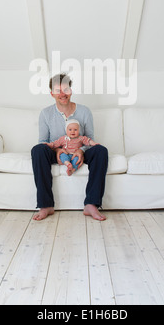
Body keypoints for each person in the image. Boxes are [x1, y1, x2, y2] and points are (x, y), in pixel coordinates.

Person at [31, 73, 108, 221]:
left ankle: (91, 204)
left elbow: (90, 139)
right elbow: (43, 141)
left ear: (71, 91)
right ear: (52, 93)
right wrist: (58, 150)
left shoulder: (84, 111)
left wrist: (81, 150)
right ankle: (45, 205)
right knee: (38, 150)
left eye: (66, 89)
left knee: (101, 150)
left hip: (79, 150)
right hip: (57, 151)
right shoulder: (46, 114)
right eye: (58, 90)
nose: (62, 94)